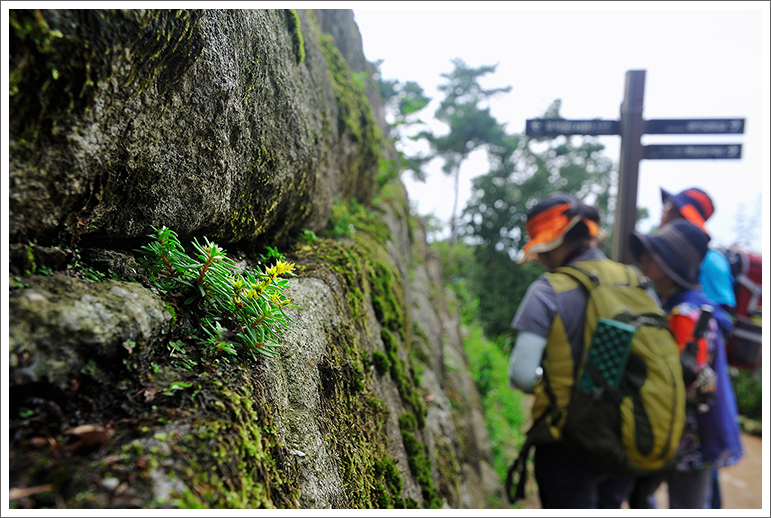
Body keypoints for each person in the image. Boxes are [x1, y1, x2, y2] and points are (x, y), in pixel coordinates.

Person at [507, 193, 635, 508]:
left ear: (556, 241)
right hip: (626, 436)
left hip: (568, 441)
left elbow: (522, 375)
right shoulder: (635, 281)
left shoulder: (548, 289)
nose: (542, 258)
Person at [629, 219, 744, 509]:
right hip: (685, 435)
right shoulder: (683, 305)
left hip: (686, 439)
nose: (643, 258)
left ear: (672, 265)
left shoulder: (684, 313)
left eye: (652, 253)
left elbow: (691, 378)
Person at [659, 186, 739, 508]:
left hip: (698, 371)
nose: (662, 211)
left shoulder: (709, 260)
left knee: (701, 461)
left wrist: (692, 324)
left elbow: (724, 316)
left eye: (668, 207)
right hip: (688, 375)